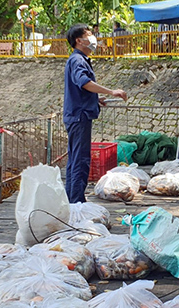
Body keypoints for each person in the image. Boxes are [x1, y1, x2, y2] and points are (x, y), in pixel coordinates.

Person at [63, 24, 127, 203]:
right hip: (79, 116)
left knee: (75, 159)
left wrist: (95, 99)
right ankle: (76, 202)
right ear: (79, 40)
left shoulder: (78, 59)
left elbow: (81, 90)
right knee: (80, 161)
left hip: (77, 114)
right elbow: (83, 82)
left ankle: (72, 200)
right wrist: (110, 91)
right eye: (89, 35)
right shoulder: (77, 60)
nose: (93, 39)